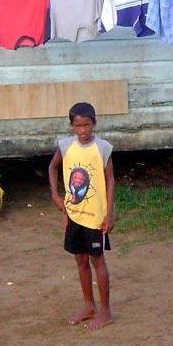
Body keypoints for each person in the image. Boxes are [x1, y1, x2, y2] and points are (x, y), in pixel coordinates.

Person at [48, 102, 116, 329]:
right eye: (78, 125)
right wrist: (56, 195)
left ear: (94, 124)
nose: (83, 130)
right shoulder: (66, 146)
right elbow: (52, 167)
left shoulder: (103, 148)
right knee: (80, 259)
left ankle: (105, 312)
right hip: (74, 214)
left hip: (95, 216)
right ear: (71, 126)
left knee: (98, 259)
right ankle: (89, 306)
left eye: (87, 125)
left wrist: (109, 213)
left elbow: (110, 180)